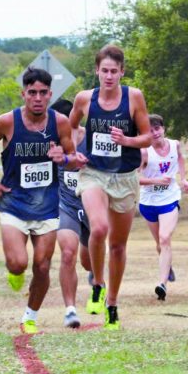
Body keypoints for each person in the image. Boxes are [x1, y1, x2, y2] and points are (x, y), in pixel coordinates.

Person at [0, 67, 77, 334]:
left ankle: (30, 317)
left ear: (50, 95)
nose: (37, 98)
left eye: (42, 93)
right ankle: (14, 271)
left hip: (47, 205)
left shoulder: (60, 123)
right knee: (19, 262)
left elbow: (74, 160)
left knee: (43, 265)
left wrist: (64, 158)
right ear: (23, 93)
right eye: (31, 92)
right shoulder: (7, 122)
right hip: (13, 202)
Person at [70, 45, 152, 330]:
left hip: (125, 177)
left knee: (117, 245)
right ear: (96, 71)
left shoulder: (134, 98)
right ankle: (97, 284)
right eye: (104, 71)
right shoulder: (84, 99)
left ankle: (113, 304)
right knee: (99, 228)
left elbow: (147, 138)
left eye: (113, 71)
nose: (108, 76)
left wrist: (126, 141)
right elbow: (71, 127)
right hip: (94, 173)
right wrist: (73, 153)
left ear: (122, 72)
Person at [49, 99, 93, 329]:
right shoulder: (51, 143)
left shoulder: (92, 139)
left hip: (92, 207)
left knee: (88, 263)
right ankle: (70, 310)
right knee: (67, 254)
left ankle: (96, 277)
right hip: (65, 206)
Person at [138, 114, 188, 301]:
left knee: (165, 238)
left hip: (169, 198)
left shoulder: (174, 144)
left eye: (157, 128)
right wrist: (155, 180)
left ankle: (162, 284)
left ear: (163, 129)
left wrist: (183, 179)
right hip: (148, 202)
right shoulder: (144, 152)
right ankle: (167, 266)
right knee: (159, 244)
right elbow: (135, 179)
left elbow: (181, 158)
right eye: (150, 130)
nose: (154, 133)